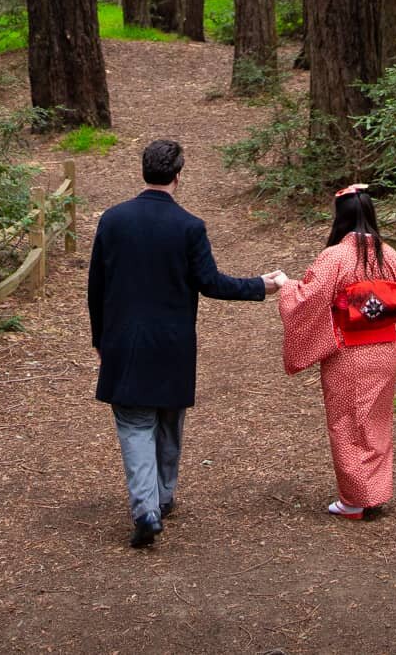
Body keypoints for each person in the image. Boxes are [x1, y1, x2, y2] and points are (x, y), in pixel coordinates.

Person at [86, 137, 279, 548]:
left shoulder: (113, 220)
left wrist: (99, 337)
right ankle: (162, 497)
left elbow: (96, 286)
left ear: (144, 171)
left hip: (123, 340)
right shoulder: (188, 226)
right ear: (178, 174)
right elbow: (211, 283)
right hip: (173, 343)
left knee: (136, 423)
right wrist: (262, 286)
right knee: (169, 419)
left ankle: (146, 507)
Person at [269, 183, 396, 519]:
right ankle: (374, 492)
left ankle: (355, 499)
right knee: (376, 420)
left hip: (350, 352)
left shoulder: (335, 256)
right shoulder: (390, 254)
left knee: (349, 421)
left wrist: (285, 285)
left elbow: (309, 298)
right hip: (384, 350)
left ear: (341, 217)